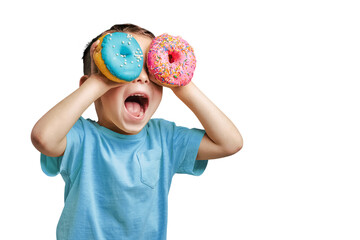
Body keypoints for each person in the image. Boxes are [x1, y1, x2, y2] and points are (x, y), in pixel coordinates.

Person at [31, 23, 243, 240]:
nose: (141, 77)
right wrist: (100, 81)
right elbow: (43, 138)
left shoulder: (164, 138)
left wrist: (182, 85)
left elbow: (229, 143)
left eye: (150, 71)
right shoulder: (81, 137)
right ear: (91, 87)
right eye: (124, 66)